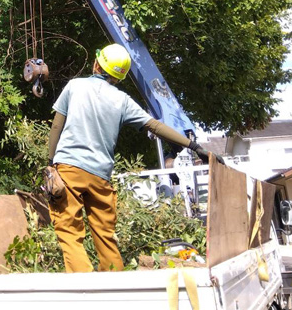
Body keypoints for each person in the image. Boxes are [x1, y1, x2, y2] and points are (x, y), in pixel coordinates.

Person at [46, 43, 222, 273]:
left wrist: (50, 162)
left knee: (69, 230)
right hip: (100, 176)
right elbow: (155, 126)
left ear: (96, 64)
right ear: (119, 76)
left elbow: (56, 126)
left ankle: (85, 288)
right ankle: (115, 286)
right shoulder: (122, 100)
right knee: (105, 236)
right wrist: (194, 146)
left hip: (70, 169)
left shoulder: (75, 86)